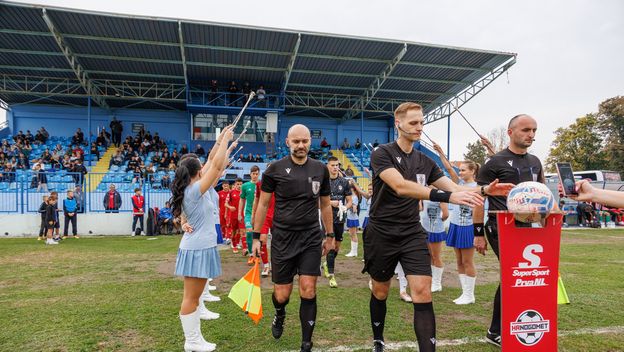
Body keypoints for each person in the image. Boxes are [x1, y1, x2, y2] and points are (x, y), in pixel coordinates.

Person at [363, 102, 511, 352]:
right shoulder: (382, 153)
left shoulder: (425, 161)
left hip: (411, 232)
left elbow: (454, 187)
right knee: (380, 290)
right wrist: (446, 197)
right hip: (382, 232)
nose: (419, 127)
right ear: (398, 124)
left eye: (421, 122)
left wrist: (484, 190)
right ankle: (378, 338)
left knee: (422, 292)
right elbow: (401, 186)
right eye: (413, 123)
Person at [251, 124, 334, 352]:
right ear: (287, 142)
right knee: (282, 295)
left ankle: (306, 343)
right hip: (282, 239)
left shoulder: (320, 169)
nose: (300, 146)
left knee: (308, 288)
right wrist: (256, 238)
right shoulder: (274, 170)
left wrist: (330, 235)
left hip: (310, 238)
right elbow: (263, 205)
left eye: (304, 141)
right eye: (296, 141)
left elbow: (325, 204)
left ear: (310, 141)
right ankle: (280, 313)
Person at [473, 114, 547, 348]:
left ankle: (515, 323)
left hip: (530, 227)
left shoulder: (535, 161)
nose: (531, 135)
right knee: (512, 275)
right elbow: (478, 198)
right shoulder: (494, 163)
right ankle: (495, 331)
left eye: (534, 130)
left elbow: (542, 194)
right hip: (500, 227)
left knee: (522, 278)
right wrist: (478, 233)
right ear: (510, 132)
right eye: (526, 129)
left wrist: (547, 224)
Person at [170, 125, 234, 352]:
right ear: (198, 172)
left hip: (199, 247)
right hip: (196, 248)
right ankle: (192, 341)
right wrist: (224, 140)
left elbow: (212, 164)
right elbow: (215, 165)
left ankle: (195, 339)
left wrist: (220, 142)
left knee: (195, 298)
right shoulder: (195, 190)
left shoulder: (195, 186)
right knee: (191, 298)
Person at [321, 156, 352, 288]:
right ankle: (332, 276)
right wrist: (330, 202)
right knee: (331, 245)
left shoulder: (344, 182)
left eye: (337, 165)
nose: (335, 167)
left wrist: (346, 207)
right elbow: (318, 202)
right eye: (332, 165)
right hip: (326, 218)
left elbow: (349, 200)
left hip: (340, 218)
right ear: (327, 166)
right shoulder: (323, 181)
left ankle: (326, 263)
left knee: (337, 247)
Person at [420, 191, 449, 294]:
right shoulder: (426, 191)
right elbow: (421, 208)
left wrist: (437, 222)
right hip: (425, 228)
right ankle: (431, 280)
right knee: (428, 256)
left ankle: (437, 283)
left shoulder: (440, 193)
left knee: (435, 256)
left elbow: (445, 214)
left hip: (435, 230)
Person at [239, 165, 260, 263]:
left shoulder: (262, 185)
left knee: (259, 235)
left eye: (256, 174)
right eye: (253, 174)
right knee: (249, 232)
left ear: (259, 174)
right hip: (248, 213)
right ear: (250, 174)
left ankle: (258, 255)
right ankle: (251, 255)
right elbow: (242, 200)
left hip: (259, 214)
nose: (255, 176)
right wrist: (240, 213)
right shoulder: (245, 186)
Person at [225, 178, 244, 253]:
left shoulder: (244, 192)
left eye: (240, 184)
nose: (239, 186)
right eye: (238, 184)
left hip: (242, 215)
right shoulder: (231, 192)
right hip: (233, 215)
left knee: (241, 230)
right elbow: (225, 204)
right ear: (235, 185)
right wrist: (230, 207)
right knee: (234, 231)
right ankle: (234, 245)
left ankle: (237, 244)